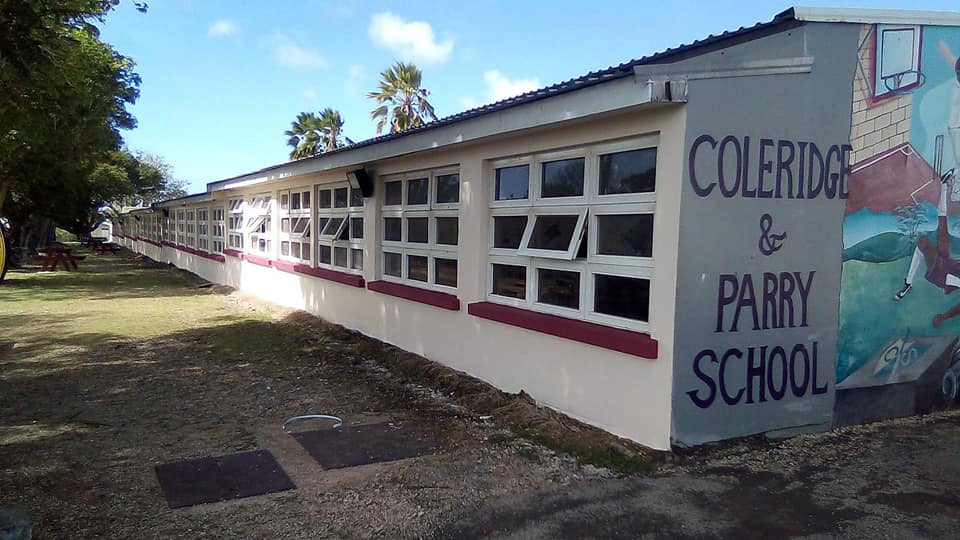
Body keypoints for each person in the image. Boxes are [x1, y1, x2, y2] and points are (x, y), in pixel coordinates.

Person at [894, 170, 960, 327]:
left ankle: (907, 284)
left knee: (923, 242)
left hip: (940, 274)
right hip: (948, 261)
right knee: (942, 226)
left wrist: (943, 317)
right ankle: (944, 185)